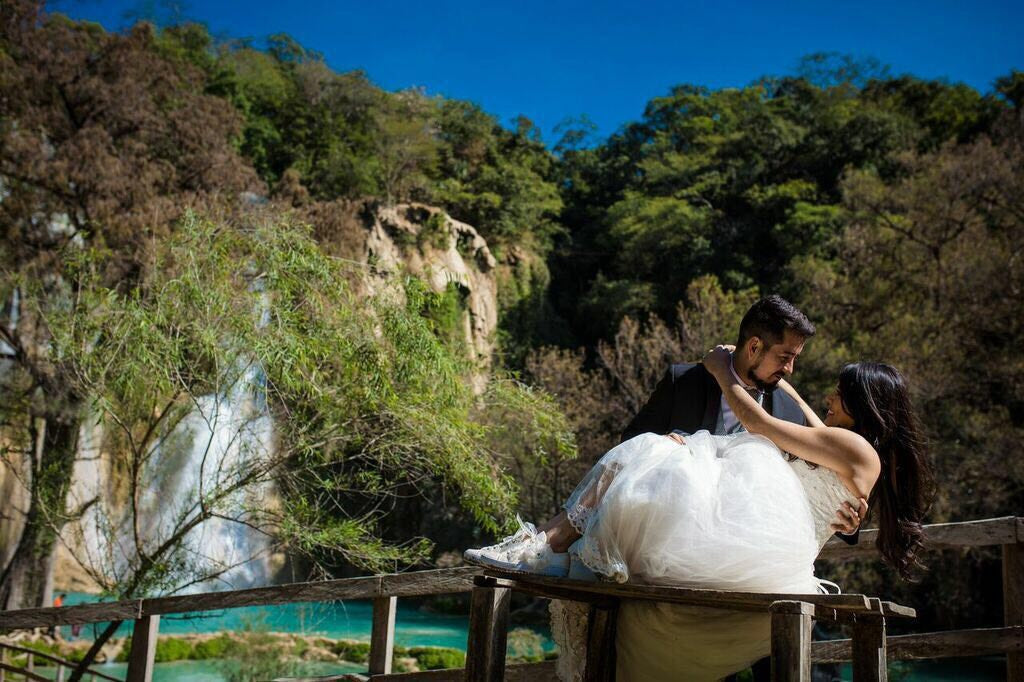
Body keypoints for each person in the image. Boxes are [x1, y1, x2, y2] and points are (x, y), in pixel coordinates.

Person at [464, 315, 934, 680]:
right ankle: (554, 549)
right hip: (769, 561)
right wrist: (781, 383)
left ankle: (544, 548)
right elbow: (814, 425)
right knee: (649, 462)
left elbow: (764, 427)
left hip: (752, 553)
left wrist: (721, 371)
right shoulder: (857, 451)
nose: (828, 398)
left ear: (862, 402)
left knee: (646, 454)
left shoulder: (853, 447)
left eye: (838, 393)